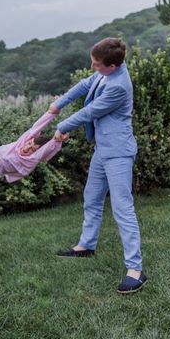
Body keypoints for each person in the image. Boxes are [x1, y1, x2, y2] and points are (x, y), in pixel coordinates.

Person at [50, 37, 147, 294]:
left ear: (112, 66)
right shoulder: (104, 74)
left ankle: (136, 270)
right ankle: (86, 245)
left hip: (118, 153)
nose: (92, 68)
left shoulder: (119, 86)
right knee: (91, 197)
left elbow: (90, 112)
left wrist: (61, 128)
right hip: (103, 150)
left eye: (96, 64)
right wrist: (58, 104)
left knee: (122, 208)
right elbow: (85, 85)